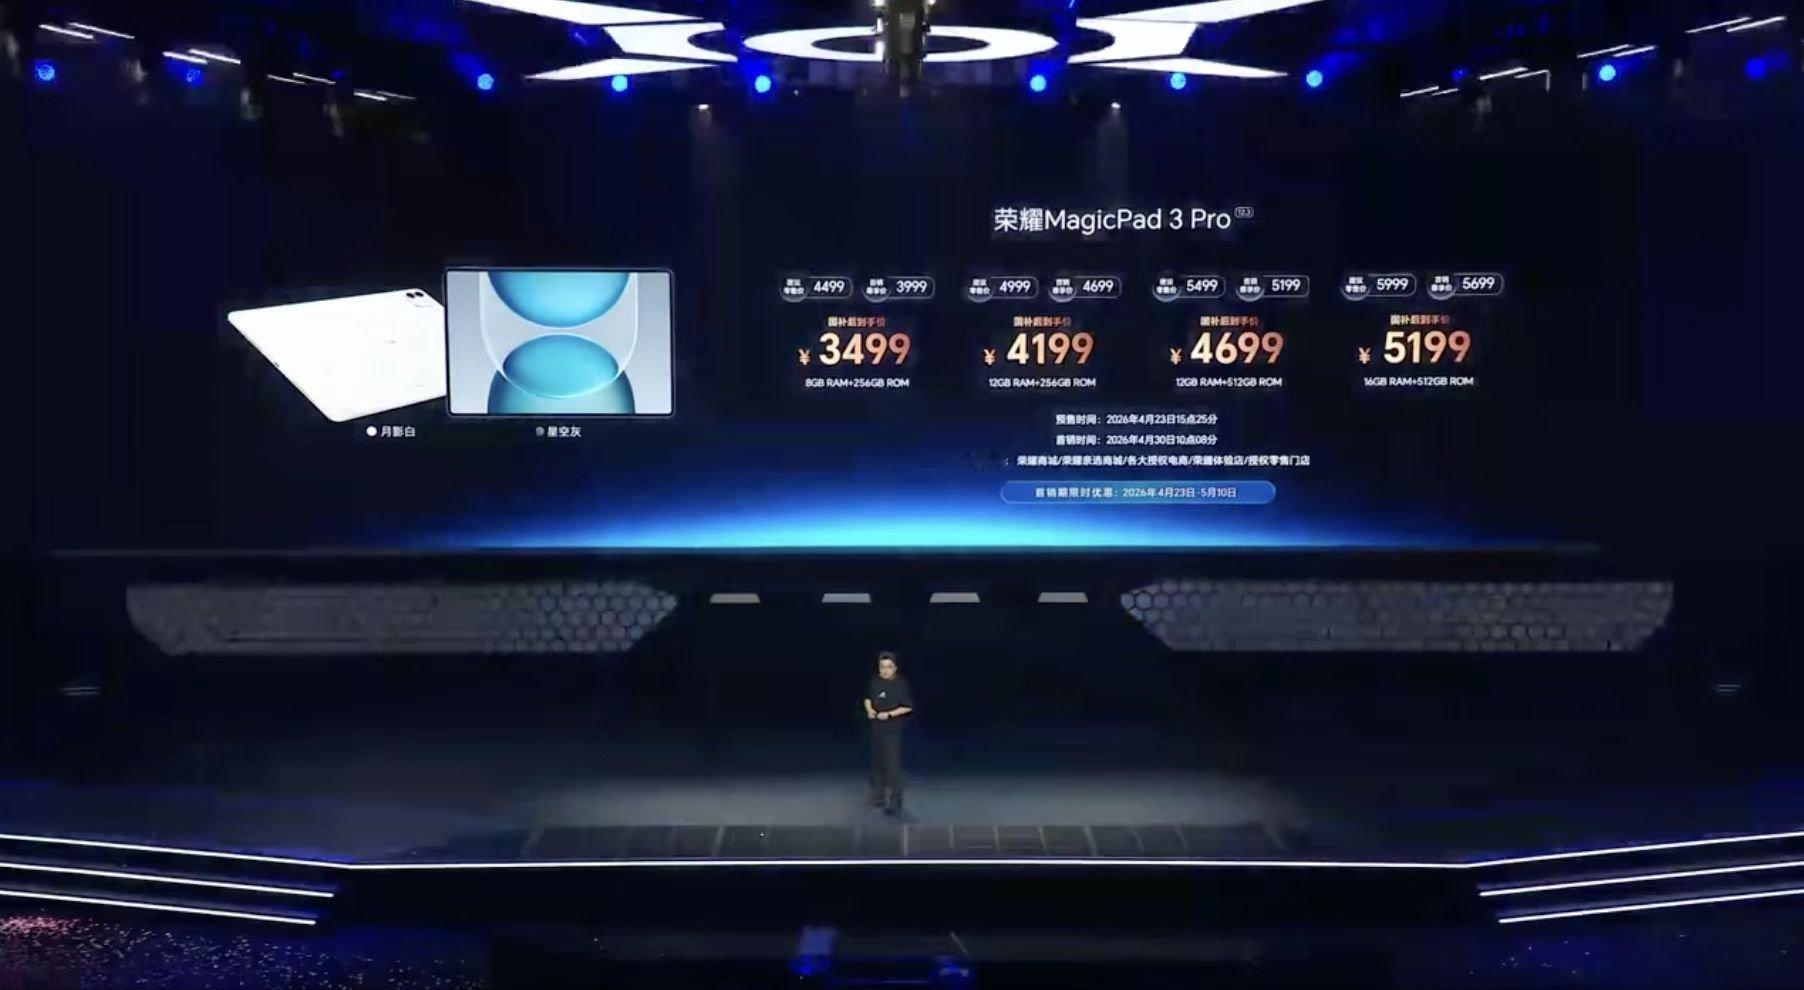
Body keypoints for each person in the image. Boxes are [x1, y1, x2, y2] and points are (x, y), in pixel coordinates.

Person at [863, 651, 914, 814]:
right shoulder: (875, 681)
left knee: (892, 766)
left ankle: (895, 800)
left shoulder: (901, 684)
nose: (885, 670)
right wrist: (869, 710)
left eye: (889, 667)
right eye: (882, 667)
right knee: (877, 764)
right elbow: (868, 698)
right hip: (876, 727)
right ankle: (878, 796)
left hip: (892, 730)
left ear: (895, 668)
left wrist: (889, 714)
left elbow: (907, 707)